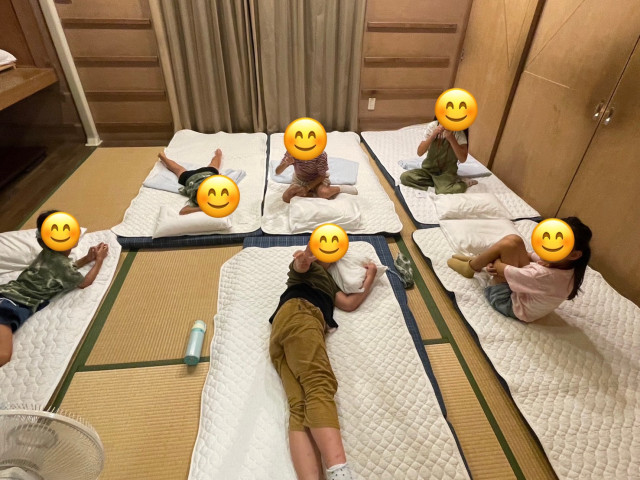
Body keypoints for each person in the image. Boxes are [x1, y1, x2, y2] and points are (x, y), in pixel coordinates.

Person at [269, 243, 377, 480]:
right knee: (319, 385)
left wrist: (370, 276)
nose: (329, 250)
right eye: (321, 245)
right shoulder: (309, 269)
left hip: (283, 331)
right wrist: (304, 259)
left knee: (300, 406)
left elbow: (349, 303)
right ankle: (341, 473)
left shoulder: (330, 282)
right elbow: (300, 266)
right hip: (301, 315)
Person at [0, 210, 109, 367]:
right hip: (11, 304)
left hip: (7, 294)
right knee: (4, 355)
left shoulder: (48, 253)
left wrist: (87, 259)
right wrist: (99, 260)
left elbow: (62, 270)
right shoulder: (62, 264)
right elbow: (84, 282)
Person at [446, 217, 592, 322]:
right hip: (525, 291)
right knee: (514, 240)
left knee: (507, 245)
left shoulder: (542, 275)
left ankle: (471, 266)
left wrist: (493, 261)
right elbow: (527, 255)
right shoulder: (567, 265)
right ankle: (477, 261)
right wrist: (495, 261)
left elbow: (500, 268)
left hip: (508, 303)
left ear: (574, 255)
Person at [400, 119, 476, 194]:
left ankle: (463, 183)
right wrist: (433, 135)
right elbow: (419, 152)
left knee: (443, 190)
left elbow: (462, 159)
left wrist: (451, 139)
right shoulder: (433, 126)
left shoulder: (458, 132)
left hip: (446, 173)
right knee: (405, 177)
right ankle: (439, 184)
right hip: (429, 170)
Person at [158, 148, 222, 215]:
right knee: (178, 169)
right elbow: (182, 212)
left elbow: (183, 211)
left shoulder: (202, 200)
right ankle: (218, 155)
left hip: (198, 176)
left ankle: (218, 154)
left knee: (178, 169)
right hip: (197, 176)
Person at [276, 151, 358, 204]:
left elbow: (322, 176)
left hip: (317, 179)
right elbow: (277, 172)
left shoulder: (320, 154)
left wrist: (307, 188)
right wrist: (286, 163)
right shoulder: (292, 151)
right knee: (286, 197)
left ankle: (339, 188)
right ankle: (313, 194)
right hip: (300, 179)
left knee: (324, 193)